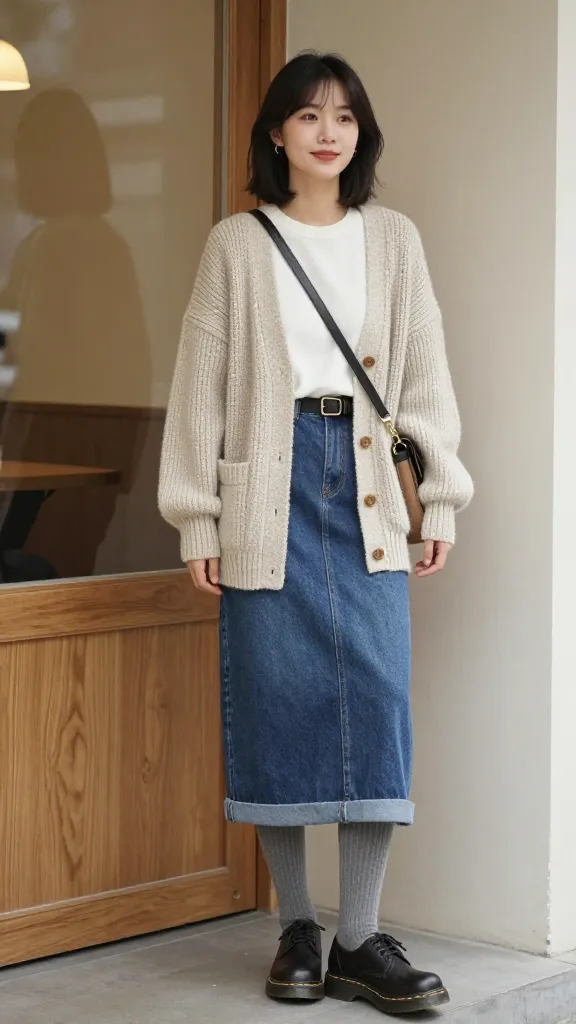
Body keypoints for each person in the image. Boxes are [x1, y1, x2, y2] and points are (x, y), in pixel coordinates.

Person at [158, 51, 473, 1017]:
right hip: (269, 484)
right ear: (278, 135)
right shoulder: (237, 245)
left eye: (343, 116)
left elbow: (422, 377)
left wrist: (442, 498)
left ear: (359, 134)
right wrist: (198, 517)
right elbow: (200, 390)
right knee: (277, 700)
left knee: (376, 702)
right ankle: (298, 926)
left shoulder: (396, 241)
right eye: (307, 115)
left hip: (370, 480)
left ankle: (359, 936)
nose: (327, 131)